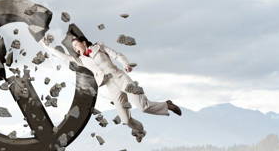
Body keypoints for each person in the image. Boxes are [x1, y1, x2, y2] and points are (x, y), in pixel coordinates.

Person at [40, 35, 181, 142]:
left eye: (77, 45)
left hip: (121, 78)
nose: (76, 49)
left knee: (142, 107)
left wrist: (125, 64)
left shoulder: (99, 47)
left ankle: (167, 105)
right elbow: (62, 56)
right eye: (74, 48)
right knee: (125, 120)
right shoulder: (80, 60)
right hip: (110, 86)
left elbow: (116, 55)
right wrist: (46, 46)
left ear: (84, 43)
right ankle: (139, 131)